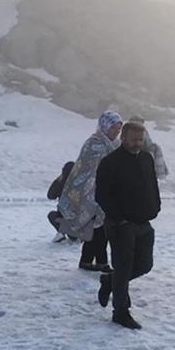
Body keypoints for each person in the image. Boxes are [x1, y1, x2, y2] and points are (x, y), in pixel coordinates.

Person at [95, 121, 160, 330]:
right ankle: (120, 313)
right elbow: (102, 195)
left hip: (144, 221)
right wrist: (119, 218)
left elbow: (152, 184)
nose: (137, 143)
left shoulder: (146, 159)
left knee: (144, 264)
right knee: (123, 269)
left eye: (141, 140)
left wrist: (155, 206)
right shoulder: (110, 162)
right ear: (123, 138)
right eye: (133, 139)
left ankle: (109, 281)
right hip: (120, 224)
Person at [57, 111, 123, 272]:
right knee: (98, 229)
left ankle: (88, 260)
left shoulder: (115, 145)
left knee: (100, 228)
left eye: (119, 128)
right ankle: (99, 262)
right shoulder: (94, 144)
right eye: (114, 127)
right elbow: (86, 169)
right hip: (90, 192)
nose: (117, 131)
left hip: (107, 192)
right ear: (105, 126)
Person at [47, 160, 75, 242]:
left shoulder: (61, 184)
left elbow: (50, 195)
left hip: (64, 220)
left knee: (52, 215)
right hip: (79, 222)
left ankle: (61, 233)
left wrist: (58, 180)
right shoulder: (80, 183)